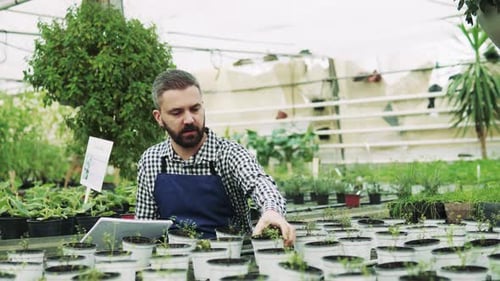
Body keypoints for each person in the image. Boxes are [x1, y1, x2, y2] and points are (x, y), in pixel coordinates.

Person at [135, 69, 295, 246]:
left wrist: (271, 211)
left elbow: (259, 182)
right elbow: (144, 227)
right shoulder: (151, 160)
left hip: (231, 261)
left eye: (195, 109)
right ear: (159, 117)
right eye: (177, 112)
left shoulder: (228, 154)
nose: (189, 119)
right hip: (173, 262)